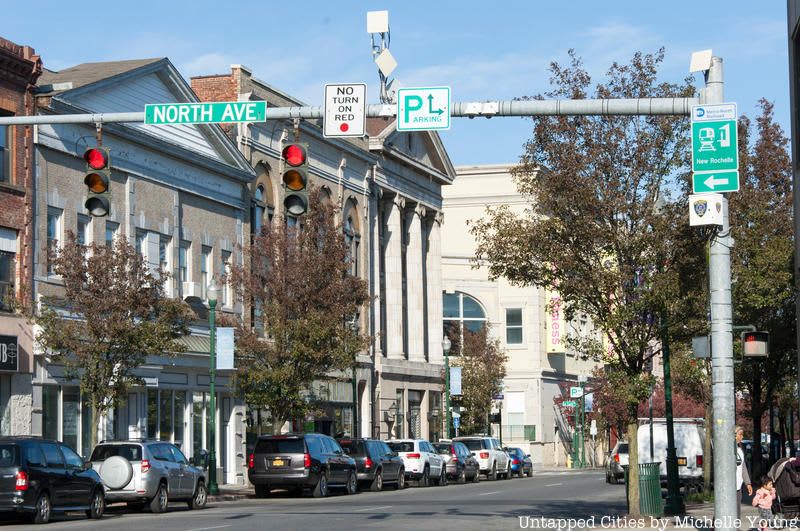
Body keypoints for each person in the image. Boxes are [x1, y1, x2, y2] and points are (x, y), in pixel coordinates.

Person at [736, 425, 753, 521]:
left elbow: (743, 467)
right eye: (740, 434)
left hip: (738, 485)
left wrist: (748, 483)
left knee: (736, 512)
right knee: (724, 511)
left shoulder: (740, 449)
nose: (742, 437)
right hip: (728, 487)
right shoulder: (727, 449)